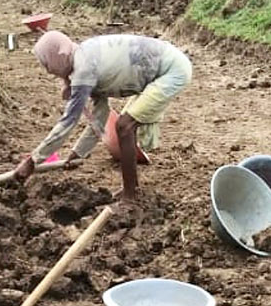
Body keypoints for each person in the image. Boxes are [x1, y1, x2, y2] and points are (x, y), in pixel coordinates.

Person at [13, 31, 192, 204]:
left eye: (47, 64)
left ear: (57, 57)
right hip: (166, 65)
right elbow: (99, 115)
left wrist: (33, 161)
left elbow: (68, 122)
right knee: (125, 126)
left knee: (124, 126)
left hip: (172, 71)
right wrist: (78, 153)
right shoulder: (83, 55)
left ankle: (130, 194)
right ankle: (132, 188)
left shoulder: (84, 69)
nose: (48, 71)